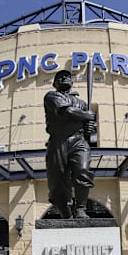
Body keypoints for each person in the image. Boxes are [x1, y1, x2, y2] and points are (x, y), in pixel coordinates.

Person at [44, 69, 97, 219]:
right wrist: (87, 116)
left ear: (72, 82)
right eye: (60, 77)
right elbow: (64, 112)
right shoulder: (52, 96)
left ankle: (81, 209)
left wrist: (90, 127)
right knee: (58, 183)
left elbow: (90, 129)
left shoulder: (82, 103)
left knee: (82, 171)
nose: (64, 78)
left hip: (78, 140)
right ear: (54, 83)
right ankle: (65, 214)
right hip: (58, 141)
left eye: (67, 76)